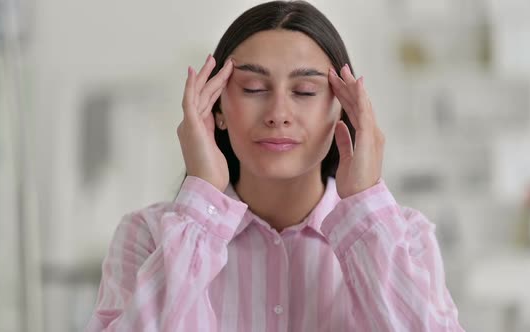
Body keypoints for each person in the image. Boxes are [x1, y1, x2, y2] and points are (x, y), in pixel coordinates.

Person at [86, 1, 464, 331]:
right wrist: (201, 203)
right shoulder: (147, 236)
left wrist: (364, 207)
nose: (278, 114)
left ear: (342, 110)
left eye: (304, 92)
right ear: (216, 108)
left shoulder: (407, 238)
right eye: (253, 88)